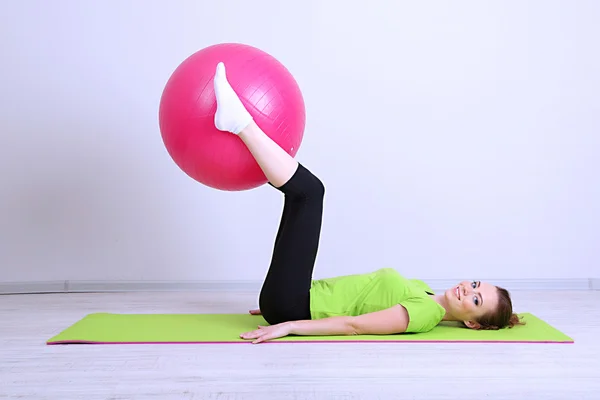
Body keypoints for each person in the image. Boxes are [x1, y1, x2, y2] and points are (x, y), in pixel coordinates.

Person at [212, 62, 522, 344]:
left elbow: (355, 325)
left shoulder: (426, 314)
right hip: (296, 297)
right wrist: (283, 290)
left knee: (310, 194)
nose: (469, 289)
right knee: (301, 199)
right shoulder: (423, 290)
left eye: (476, 300)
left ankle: (240, 123)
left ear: (472, 323)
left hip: (294, 306)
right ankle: (245, 131)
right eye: (477, 284)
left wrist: (289, 324)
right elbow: (352, 294)